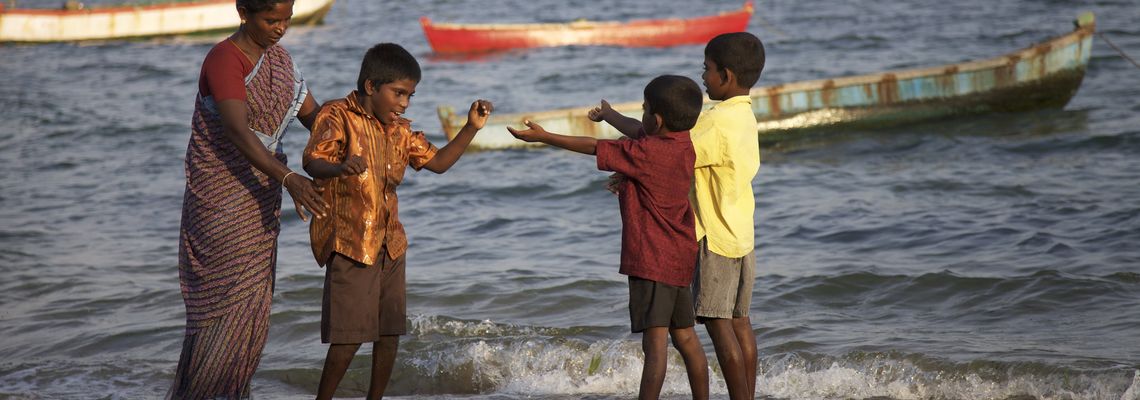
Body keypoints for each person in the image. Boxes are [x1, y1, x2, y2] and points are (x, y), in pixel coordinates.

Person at [302, 42, 493, 399]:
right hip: (351, 245)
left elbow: (438, 164)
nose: (405, 103)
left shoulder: (400, 131)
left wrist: (471, 128)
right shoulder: (338, 115)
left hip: (391, 244)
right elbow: (312, 161)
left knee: (388, 335)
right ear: (371, 86)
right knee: (348, 338)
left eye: (410, 96)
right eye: (399, 93)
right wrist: (340, 167)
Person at [509, 75, 710, 400]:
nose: (641, 116)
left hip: (652, 260)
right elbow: (637, 130)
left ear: (656, 119)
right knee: (686, 338)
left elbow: (595, 147)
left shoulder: (646, 154)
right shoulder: (682, 143)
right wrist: (611, 114)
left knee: (655, 345)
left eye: (644, 109)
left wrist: (545, 137)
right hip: (680, 255)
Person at [590, 32, 766, 399]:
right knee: (741, 324)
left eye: (708, 69)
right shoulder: (744, 115)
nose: (703, 77)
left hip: (713, 237)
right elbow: (657, 144)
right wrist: (613, 119)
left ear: (727, 77)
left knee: (720, 328)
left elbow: (657, 144)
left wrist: (622, 160)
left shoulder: (714, 123)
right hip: (742, 234)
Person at [170, 0, 329, 398]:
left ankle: (231, 391)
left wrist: (361, 125)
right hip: (220, 200)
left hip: (260, 199)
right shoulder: (224, 59)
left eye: (287, 19)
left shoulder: (282, 62)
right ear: (244, 12)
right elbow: (238, 132)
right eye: (271, 19)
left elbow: (316, 119)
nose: (281, 28)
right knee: (224, 303)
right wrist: (291, 177)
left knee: (253, 306)